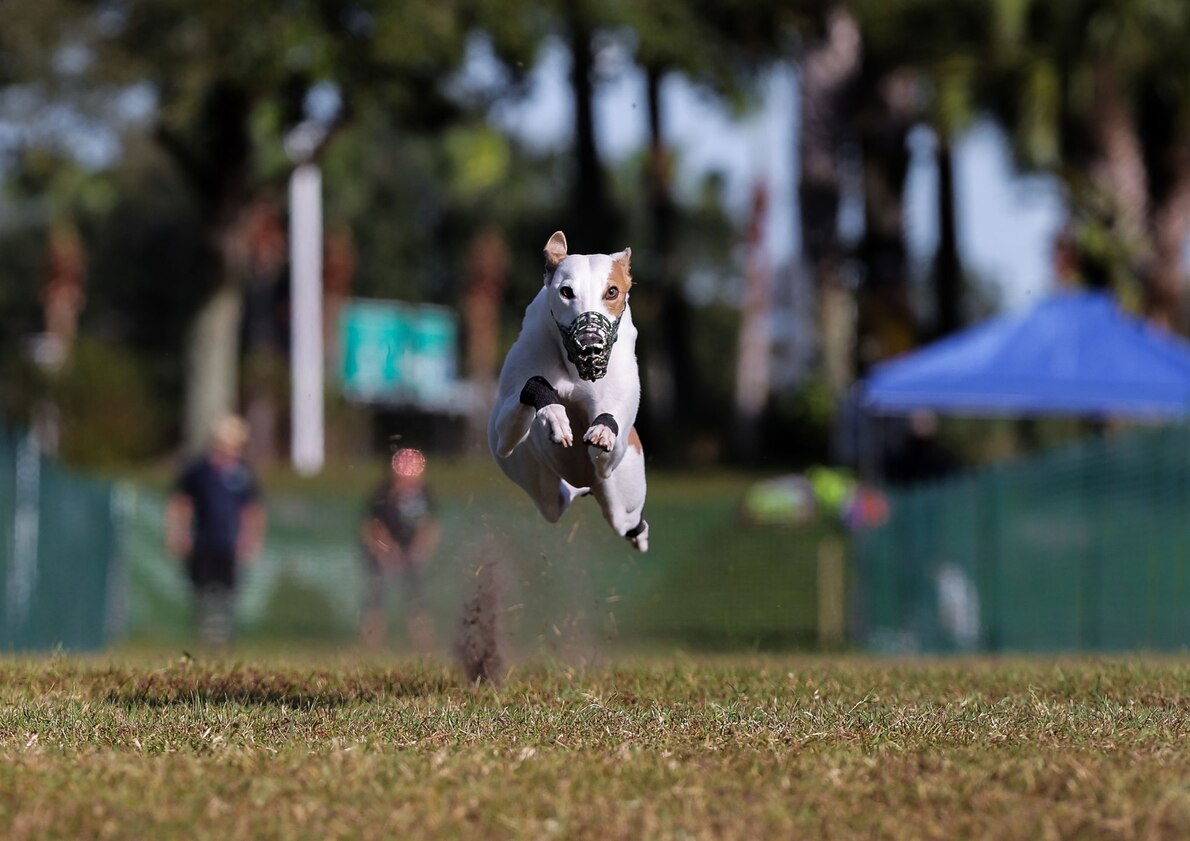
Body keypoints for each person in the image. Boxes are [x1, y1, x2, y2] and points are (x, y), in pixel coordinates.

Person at [165, 414, 266, 645]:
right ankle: (204, 636)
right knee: (201, 591)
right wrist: (178, 532)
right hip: (203, 541)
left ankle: (224, 637)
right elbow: (181, 502)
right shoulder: (198, 470)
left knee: (228, 593)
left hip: (230, 543)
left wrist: (251, 538)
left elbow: (252, 509)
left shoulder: (244, 473)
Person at [359, 447, 441, 649]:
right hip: (382, 552)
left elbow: (430, 525)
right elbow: (372, 526)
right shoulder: (383, 493)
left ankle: (423, 645)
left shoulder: (424, 494)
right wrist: (386, 551)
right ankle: (371, 645)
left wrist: (420, 550)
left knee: (417, 599)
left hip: (410, 551)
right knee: (376, 598)